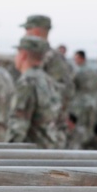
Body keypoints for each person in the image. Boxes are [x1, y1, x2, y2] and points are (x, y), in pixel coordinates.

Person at [21, 14, 72, 147]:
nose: (25, 34)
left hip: (46, 133)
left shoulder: (51, 58)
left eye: (28, 30)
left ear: (36, 31)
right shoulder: (47, 57)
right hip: (35, 130)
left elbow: (63, 93)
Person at [6, 36, 61, 147]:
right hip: (48, 148)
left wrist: (8, 153)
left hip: (31, 153)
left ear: (24, 55)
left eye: (18, 53)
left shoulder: (27, 82)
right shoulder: (48, 80)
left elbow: (18, 124)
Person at [69, 50, 97, 149]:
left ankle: (80, 147)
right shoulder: (93, 71)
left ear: (81, 58)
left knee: (79, 127)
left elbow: (71, 85)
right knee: (89, 127)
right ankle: (89, 146)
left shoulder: (78, 71)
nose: (75, 61)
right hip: (92, 102)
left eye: (76, 58)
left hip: (80, 103)